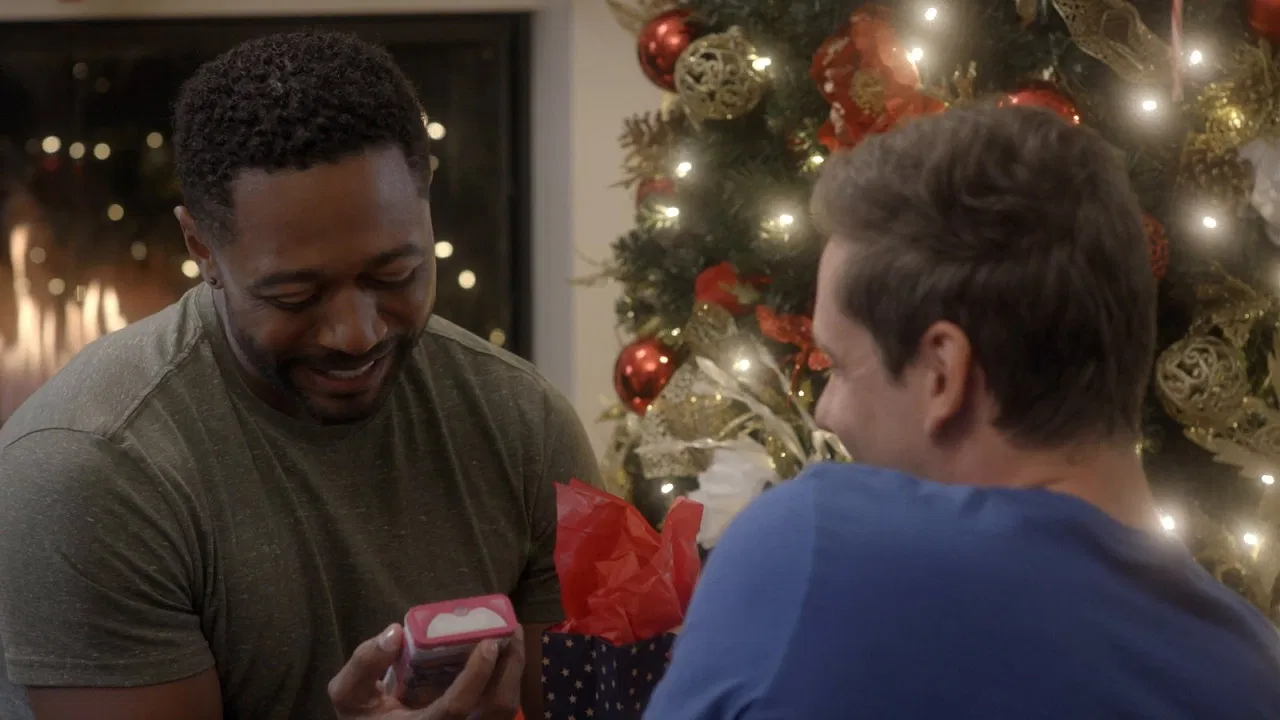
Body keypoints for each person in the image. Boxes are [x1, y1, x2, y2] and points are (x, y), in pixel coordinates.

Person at [0, 32, 600, 720]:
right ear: (202, 248)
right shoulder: (91, 470)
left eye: (395, 275)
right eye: (295, 295)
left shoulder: (521, 422)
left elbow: (585, 704)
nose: (357, 334)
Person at [645, 105, 1280, 718]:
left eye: (838, 365)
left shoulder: (811, 555)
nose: (826, 414)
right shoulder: (1254, 672)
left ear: (942, 374)